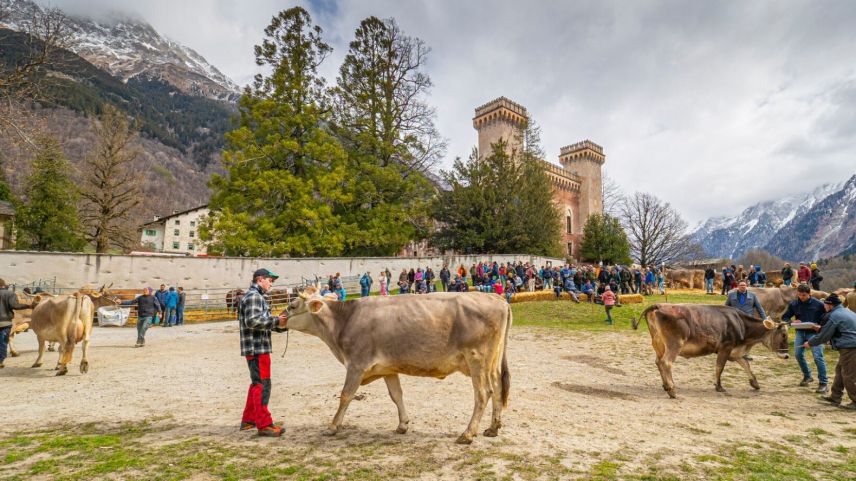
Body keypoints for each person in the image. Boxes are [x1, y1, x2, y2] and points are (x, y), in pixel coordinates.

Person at [239, 268, 289, 436]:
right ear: (260, 279)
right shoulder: (254, 297)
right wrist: (276, 320)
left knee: (256, 383)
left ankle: (249, 420)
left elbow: (262, 322)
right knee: (262, 384)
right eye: (270, 280)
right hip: (257, 348)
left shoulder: (256, 296)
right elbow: (252, 321)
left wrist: (280, 325)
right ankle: (264, 424)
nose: (271, 283)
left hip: (255, 347)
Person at [805, 294, 856, 409]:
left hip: (850, 347)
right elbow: (839, 328)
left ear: (830, 305)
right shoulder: (847, 312)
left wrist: (810, 343)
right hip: (850, 345)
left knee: (848, 375)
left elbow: (823, 336)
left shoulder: (835, 315)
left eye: (825, 305)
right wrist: (821, 328)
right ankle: (835, 396)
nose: (824, 307)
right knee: (839, 371)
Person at [783, 284, 828, 393]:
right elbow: (785, 317)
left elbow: (827, 317)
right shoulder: (794, 304)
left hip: (815, 334)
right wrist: (792, 321)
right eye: (799, 295)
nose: (801, 297)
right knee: (798, 354)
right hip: (800, 332)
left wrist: (820, 326)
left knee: (818, 357)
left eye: (804, 295)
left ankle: (823, 383)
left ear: (810, 294)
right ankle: (807, 376)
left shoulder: (819, 304)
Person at [0, 279, 30, 368]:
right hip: (5, 322)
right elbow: (15, 306)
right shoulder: (10, 294)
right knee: (3, 342)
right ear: (4, 285)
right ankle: (0, 361)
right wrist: (28, 306)